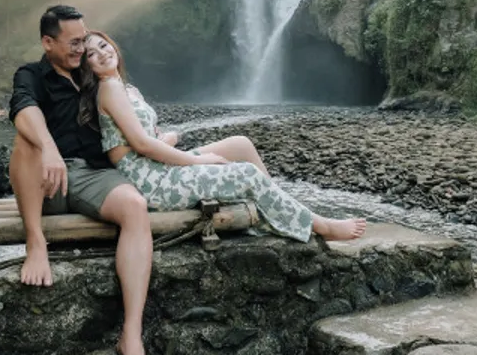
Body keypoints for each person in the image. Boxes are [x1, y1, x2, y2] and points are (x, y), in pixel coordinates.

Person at [83, 30, 367, 244]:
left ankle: (280, 209)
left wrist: (168, 138)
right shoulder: (109, 89)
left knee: (240, 145)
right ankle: (320, 226)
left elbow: (142, 139)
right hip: (152, 182)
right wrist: (198, 161)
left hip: (158, 167)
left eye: (103, 45)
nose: (102, 53)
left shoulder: (127, 89)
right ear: (87, 66)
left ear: (113, 45)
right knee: (247, 174)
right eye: (91, 54)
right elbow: (142, 144)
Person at [8, 5, 154, 355]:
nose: (81, 48)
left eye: (83, 40)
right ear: (48, 42)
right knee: (25, 140)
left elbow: (127, 114)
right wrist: (49, 148)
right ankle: (36, 242)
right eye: (73, 42)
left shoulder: (90, 73)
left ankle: (131, 337)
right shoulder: (31, 75)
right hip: (47, 179)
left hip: (94, 175)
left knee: (136, 207)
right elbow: (23, 109)